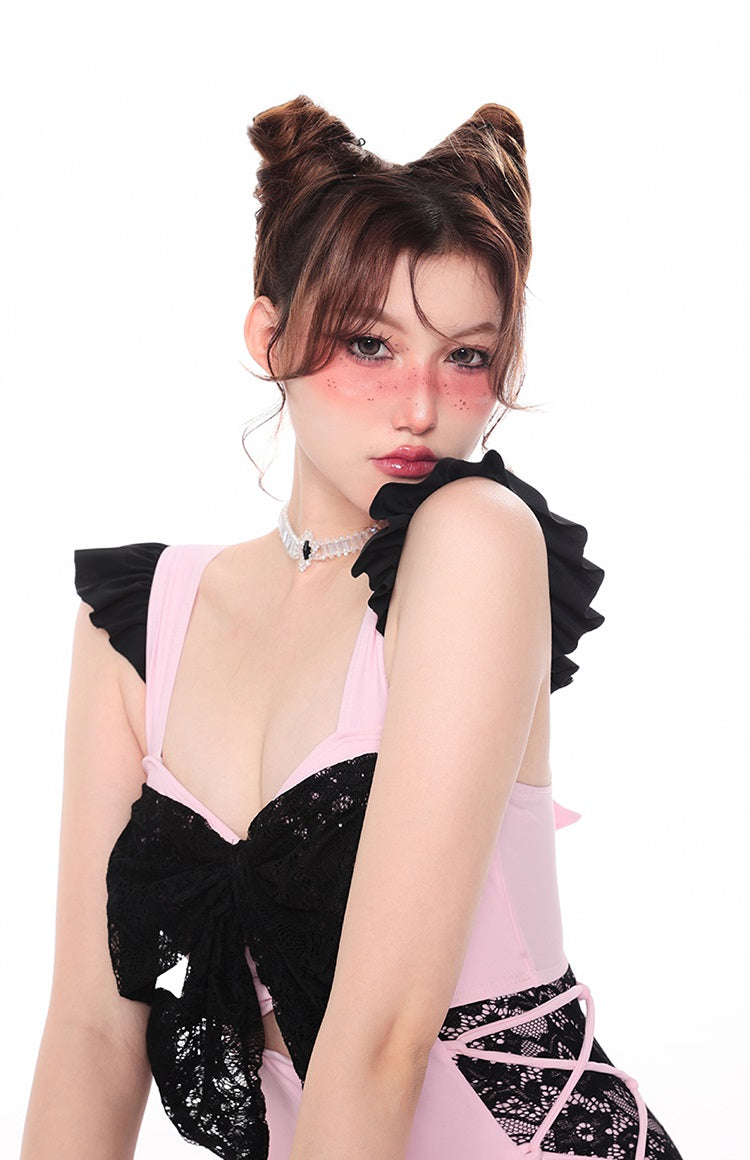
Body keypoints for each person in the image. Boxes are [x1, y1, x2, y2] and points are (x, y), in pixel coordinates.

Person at [20, 95, 683, 1160]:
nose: (421, 406)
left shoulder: (473, 539)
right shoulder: (140, 626)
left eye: (465, 357)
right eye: (370, 345)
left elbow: (380, 1043)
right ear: (269, 336)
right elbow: (93, 1030)